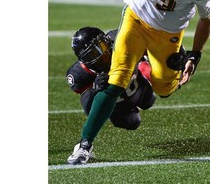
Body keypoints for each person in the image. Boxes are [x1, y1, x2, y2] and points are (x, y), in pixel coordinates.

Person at [67, 0, 210, 164]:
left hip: (167, 34)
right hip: (135, 18)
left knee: (164, 89)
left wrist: (195, 55)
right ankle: (84, 145)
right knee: (117, 79)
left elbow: (206, 18)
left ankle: (167, 60)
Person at [66, 26, 156, 164]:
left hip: (137, 85)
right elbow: (87, 103)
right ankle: (85, 144)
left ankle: (143, 68)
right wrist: (96, 88)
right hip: (117, 105)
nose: (101, 56)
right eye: (92, 55)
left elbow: (150, 41)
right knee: (132, 122)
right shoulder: (79, 74)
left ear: (107, 40)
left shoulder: (118, 38)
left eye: (100, 47)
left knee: (149, 100)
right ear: (84, 60)